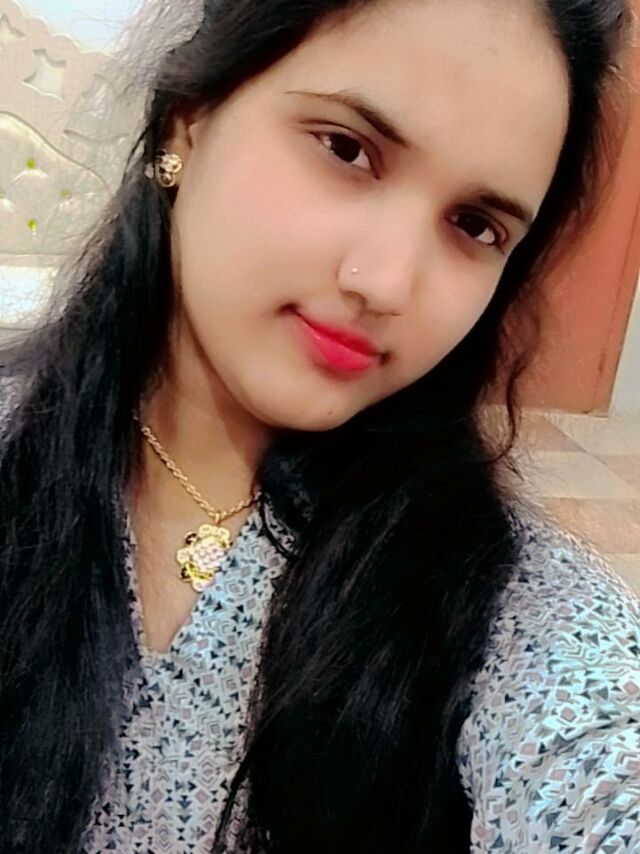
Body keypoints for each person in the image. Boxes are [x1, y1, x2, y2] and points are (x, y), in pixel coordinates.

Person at [0, 0, 637, 851]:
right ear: (191, 118)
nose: (388, 282)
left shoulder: (511, 605)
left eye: (475, 225)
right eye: (346, 149)